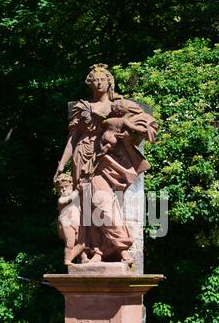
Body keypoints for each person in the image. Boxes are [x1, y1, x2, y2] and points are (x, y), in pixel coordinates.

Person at [53, 64, 158, 264]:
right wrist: (61, 165)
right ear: (90, 83)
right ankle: (92, 252)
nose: (99, 83)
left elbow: (146, 121)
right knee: (87, 207)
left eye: (103, 79)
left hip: (107, 159)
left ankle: (114, 249)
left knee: (105, 201)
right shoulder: (82, 107)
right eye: (96, 79)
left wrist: (135, 131)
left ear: (109, 81)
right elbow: (72, 140)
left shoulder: (118, 105)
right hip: (82, 157)